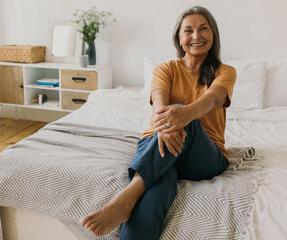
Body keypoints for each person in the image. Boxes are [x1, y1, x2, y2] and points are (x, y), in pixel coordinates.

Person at [80, 6, 237, 240]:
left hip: (204, 156)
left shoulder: (225, 71)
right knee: (156, 186)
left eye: (204, 29)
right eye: (188, 31)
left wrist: (182, 117)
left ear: (213, 34)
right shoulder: (165, 69)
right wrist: (166, 126)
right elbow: (159, 105)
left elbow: (212, 99)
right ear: (179, 38)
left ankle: (127, 197)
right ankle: (132, 201)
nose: (196, 36)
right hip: (157, 142)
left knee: (185, 115)